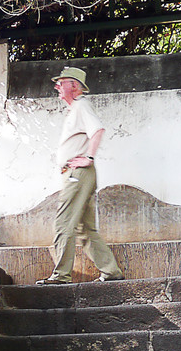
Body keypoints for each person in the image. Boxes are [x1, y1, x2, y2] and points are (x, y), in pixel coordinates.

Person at [37, 65, 125, 285]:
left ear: (74, 85)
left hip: (78, 172)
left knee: (63, 222)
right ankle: (111, 271)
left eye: (61, 82)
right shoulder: (75, 109)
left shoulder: (81, 105)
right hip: (78, 173)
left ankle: (61, 275)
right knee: (85, 229)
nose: (57, 86)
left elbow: (98, 130)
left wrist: (89, 157)